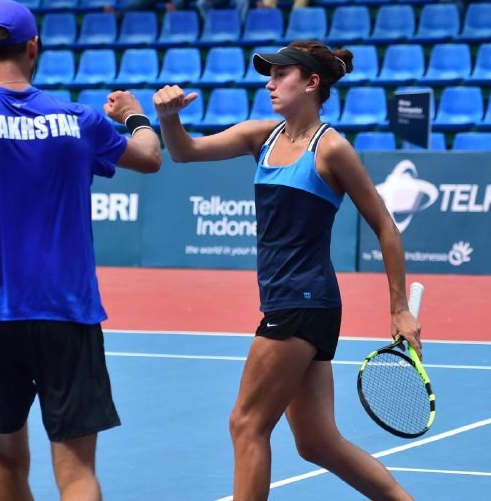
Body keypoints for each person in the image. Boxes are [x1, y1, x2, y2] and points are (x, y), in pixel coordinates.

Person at [0, 0, 161, 500]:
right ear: (34, 48)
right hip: (69, 315)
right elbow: (150, 158)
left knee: (4, 459)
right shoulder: (78, 120)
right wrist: (134, 115)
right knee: (77, 471)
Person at [153, 41, 422, 500]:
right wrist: (168, 117)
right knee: (317, 441)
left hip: (302, 301)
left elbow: (385, 227)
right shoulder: (262, 136)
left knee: (246, 423)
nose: (270, 84)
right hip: (298, 302)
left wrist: (399, 308)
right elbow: (185, 151)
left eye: (281, 75)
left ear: (312, 83)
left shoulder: (331, 148)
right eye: (270, 75)